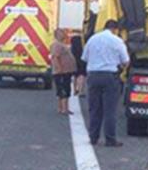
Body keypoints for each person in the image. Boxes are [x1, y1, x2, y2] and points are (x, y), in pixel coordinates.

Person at [82, 19, 129, 147]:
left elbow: (85, 58)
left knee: (94, 109)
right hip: (110, 77)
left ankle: (93, 138)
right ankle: (110, 139)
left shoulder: (92, 39)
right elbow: (125, 61)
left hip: (93, 75)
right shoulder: (117, 41)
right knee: (110, 110)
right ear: (115, 29)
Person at [49, 29, 77, 115]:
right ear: (57, 35)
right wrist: (59, 68)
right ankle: (64, 109)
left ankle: (62, 108)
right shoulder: (57, 45)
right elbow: (56, 57)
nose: (64, 34)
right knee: (64, 90)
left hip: (65, 71)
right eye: (62, 33)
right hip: (62, 72)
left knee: (63, 89)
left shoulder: (61, 44)